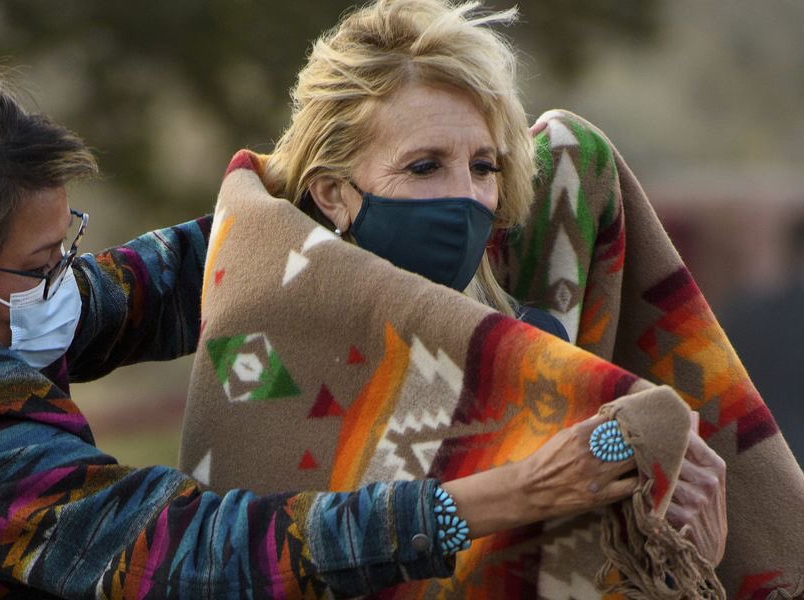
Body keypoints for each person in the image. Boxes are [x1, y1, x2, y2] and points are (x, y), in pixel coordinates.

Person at [0, 44, 637, 599]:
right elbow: (188, 556)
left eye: (68, 246)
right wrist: (495, 499)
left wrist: (319, 209)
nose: (69, 282)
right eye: (43, 265)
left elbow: (151, 286)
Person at [254, 0, 729, 568]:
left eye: (484, 167)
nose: (466, 196)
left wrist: (694, 556)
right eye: (425, 166)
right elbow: (249, 561)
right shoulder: (274, 359)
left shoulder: (536, 346)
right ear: (334, 193)